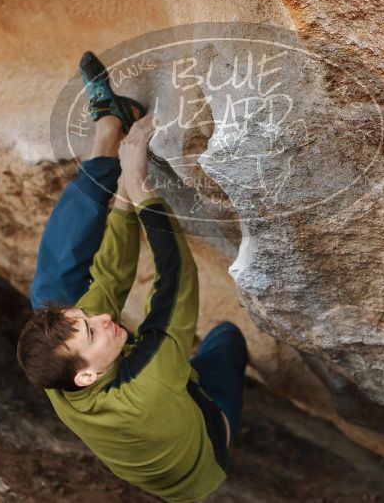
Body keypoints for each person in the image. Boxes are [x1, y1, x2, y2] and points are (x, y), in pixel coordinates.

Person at [17, 52, 248, 502]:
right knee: (226, 337)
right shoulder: (148, 380)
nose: (103, 319)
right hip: (203, 451)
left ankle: (109, 126)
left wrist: (121, 199)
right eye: (90, 329)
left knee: (49, 293)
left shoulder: (62, 373)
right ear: (85, 377)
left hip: (148, 398)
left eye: (86, 316)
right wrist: (141, 187)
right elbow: (177, 279)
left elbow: (107, 279)